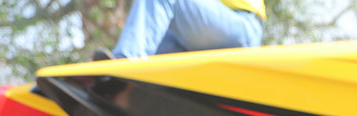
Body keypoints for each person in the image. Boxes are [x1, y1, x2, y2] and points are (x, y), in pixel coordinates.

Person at [98, 0, 264, 59]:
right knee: (150, 53)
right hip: (199, 36)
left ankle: (125, 61)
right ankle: (117, 88)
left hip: (242, 26)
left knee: (139, 47)